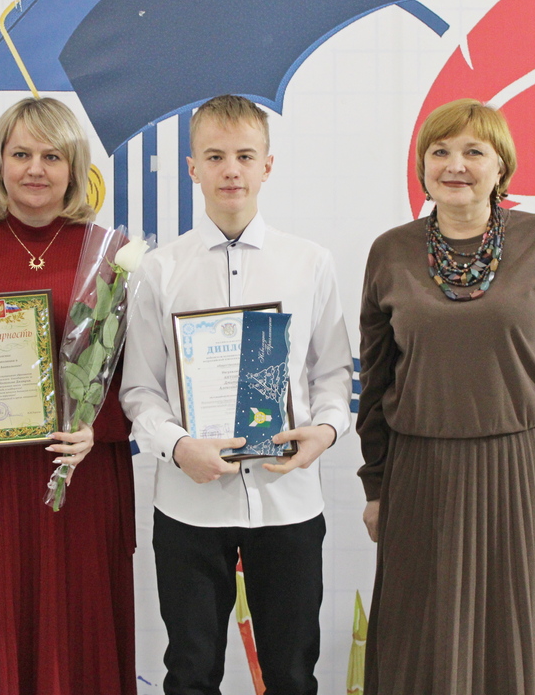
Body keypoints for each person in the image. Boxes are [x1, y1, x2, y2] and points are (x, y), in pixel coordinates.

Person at [357, 98, 535, 694]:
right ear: (422, 167)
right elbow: (376, 380)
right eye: (440, 151)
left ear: (501, 167)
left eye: (474, 151)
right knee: (424, 637)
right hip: (422, 476)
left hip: (527, 474)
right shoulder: (390, 252)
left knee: (520, 634)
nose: (455, 165)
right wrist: (376, 485)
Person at [120, 95, 352, 695]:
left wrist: (325, 432)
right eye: (215, 156)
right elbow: (139, 390)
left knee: (292, 675)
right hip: (190, 505)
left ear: (267, 166)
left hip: (287, 499)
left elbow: (333, 374)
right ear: (192, 167)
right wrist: (178, 448)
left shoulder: (310, 263)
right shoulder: (159, 270)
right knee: (191, 674)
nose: (231, 170)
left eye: (245, 156)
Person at [0, 97, 136, 695]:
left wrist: (98, 429)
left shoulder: (110, 253)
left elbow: (139, 374)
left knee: (77, 622)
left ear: (75, 167)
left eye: (52, 156)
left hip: (79, 472)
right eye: (21, 154)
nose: (35, 168)